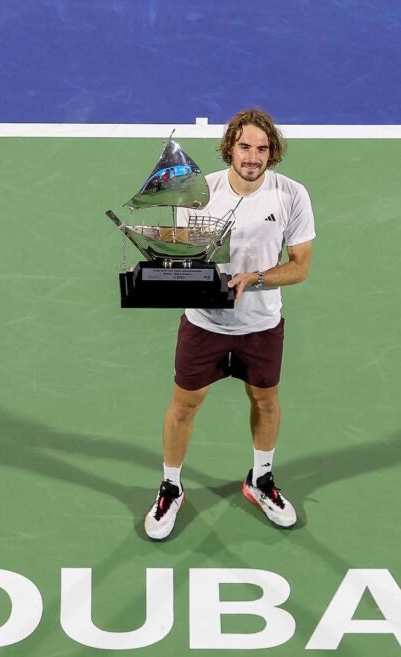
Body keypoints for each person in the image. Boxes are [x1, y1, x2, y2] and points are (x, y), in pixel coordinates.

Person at [144, 108, 316, 541]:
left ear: (272, 152)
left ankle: (261, 479)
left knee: (266, 402)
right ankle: (170, 486)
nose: (252, 157)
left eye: (262, 149)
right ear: (229, 148)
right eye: (244, 147)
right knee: (184, 406)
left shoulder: (291, 195)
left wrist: (254, 279)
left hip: (261, 324)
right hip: (204, 323)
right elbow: (184, 258)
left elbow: (300, 267)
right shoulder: (199, 194)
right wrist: (157, 272)